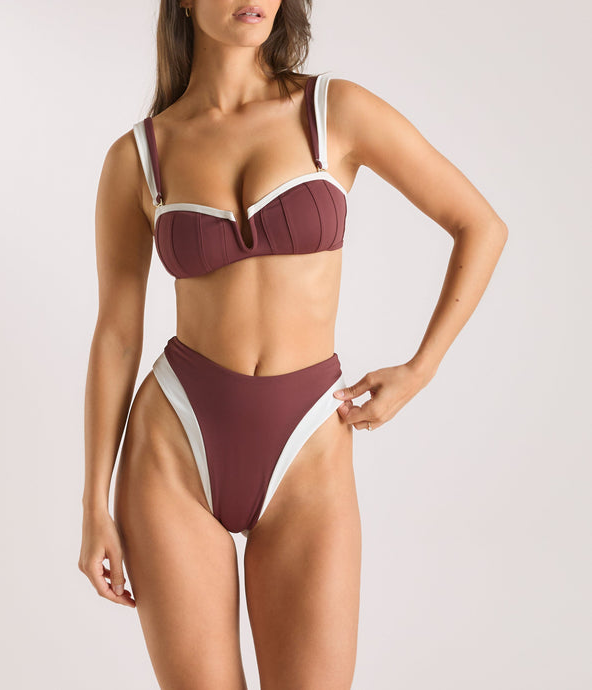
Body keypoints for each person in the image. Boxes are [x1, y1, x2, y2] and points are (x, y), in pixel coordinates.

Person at [78, 1, 508, 688]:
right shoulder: (139, 156)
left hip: (307, 445)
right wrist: (93, 503)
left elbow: (479, 225)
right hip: (174, 444)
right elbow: (116, 333)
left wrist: (420, 369)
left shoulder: (334, 111)